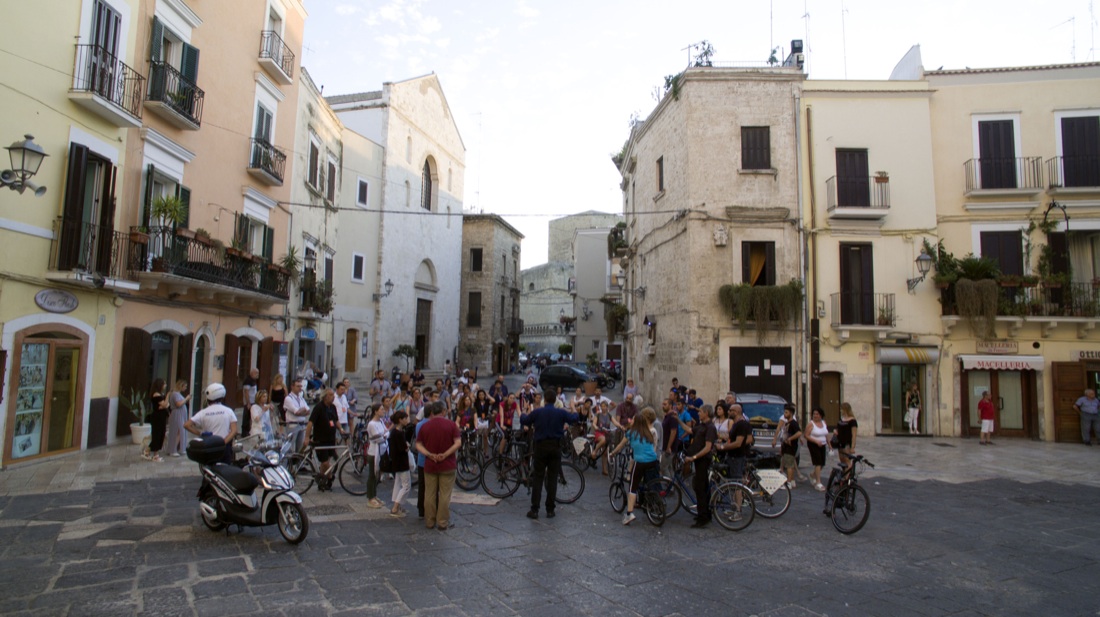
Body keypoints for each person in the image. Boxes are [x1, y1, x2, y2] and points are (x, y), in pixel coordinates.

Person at [520, 387, 581, 519]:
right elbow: (574, 418)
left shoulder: (538, 412)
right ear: (555, 400)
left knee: (538, 477)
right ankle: (550, 509)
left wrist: (524, 409)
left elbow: (524, 420)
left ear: (545, 400)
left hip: (540, 446)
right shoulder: (560, 412)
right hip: (555, 446)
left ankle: (535, 509)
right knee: (552, 478)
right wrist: (573, 407)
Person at [609, 407, 659, 525]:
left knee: (633, 486)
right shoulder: (648, 432)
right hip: (653, 460)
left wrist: (612, 453)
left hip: (640, 462)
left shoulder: (631, 433)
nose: (631, 421)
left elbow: (620, 445)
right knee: (651, 482)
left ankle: (629, 514)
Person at [415, 402, 461, 530]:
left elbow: (418, 444)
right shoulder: (451, 425)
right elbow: (458, 443)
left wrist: (429, 454)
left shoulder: (425, 426)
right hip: (448, 464)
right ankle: (442, 522)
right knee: (445, 495)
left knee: (429, 494)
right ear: (444, 411)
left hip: (430, 464)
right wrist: (445, 454)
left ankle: (429, 521)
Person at [714, 403, 752, 521]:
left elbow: (738, 443)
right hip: (732, 456)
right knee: (732, 484)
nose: (728, 412)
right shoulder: (736, 424)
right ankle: (734, 506)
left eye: (730, 410)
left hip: (737, 457)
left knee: (736, 484)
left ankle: (738, 511)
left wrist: (723, 447)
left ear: (736, 412)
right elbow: (735, 440)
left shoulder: (741, 425)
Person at [184, 383, 238, 464]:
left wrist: (200, 433)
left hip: (209, 446)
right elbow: (234, 430)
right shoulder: (228, 411)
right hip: (223, 445)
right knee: (225, 468)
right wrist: (224, 442)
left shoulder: (203, 412)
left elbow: (186, 425)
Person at [684, 404, 717, 528]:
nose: (698, 413)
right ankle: (704, 513)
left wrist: (693, 457)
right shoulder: (701, 426)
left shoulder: (710, 428)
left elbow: (707, 448)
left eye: (701, 411)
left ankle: (703, 517)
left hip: (703, 460)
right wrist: (677, 420)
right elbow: (690, 430)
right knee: (701, 487)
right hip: (699, 461)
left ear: (706, 413)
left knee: (700, 488)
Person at [304, 389, 342, 476]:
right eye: (331, 395)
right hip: (321, 439)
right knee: (325, 462)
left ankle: (322, 478)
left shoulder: (333, 407)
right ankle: (330, 477)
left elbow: (336, 420)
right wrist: (307, 437)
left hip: (331, 438)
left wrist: (341, 429)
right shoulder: (318, 407)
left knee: (327, 460)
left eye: (333, 395)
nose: (333, 397)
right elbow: (310, 423)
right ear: (325, 397)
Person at [388, 410, 412, 517]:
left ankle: (397, 506)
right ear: (400, 420)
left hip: (396, 462)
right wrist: (407, 446)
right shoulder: (399, 433)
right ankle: (396, 507)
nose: (407, 420)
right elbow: (404, 448)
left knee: (398, 484)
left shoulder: (394, 432)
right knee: (406, 486)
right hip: (402, 462)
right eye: (405, 418)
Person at [364, 403, 387, 508]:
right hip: (374, 452)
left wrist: (384, 435)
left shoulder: (381, 421)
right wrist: (384, 436)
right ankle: (370, 497)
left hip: (381, 450)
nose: (383, 411)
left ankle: (374, 495)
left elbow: (386, 432)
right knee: (372, 475)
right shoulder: (372, 424)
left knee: (377, 475)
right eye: (381, 409)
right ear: (375, 411)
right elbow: (378, 438)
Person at [774, 404, 802, 488]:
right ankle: (791, 481)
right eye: (784, 412)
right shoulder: (787, 423)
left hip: (790, 448)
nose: (784, 414)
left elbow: (799, 433)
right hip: (786, 447)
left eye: (786, 412)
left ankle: (789, 483)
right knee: (789, 464)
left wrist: (790, 439)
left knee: (789, 466)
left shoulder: (793, 423)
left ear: (791, 413)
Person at [165, 380, 192, 457]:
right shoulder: (175, 394)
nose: (186, 388)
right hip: (177, 414)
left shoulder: (177, 394)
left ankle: (179, 448)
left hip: (180, 414)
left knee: (180, 431)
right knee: (178, 431)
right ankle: (173, 449)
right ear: (181, 386)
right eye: (185, 386)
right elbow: (178, 404)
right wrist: (186, 399)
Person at [805, 407, 830, 491]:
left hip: (823, 444)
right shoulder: (811, 424)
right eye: (814, 414)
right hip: (813, 444)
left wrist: (829, 444)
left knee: (822, 463)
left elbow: (826, 434)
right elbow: (806, 435)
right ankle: (818, 482)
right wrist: (816, 441)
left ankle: (812, 475)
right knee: (818, 462)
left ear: (821, 415)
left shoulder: (824, 422)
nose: (815, 416)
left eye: (817, 414)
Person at [145, 378, 169, 462]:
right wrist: (168, 396)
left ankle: (147, 451)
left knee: (162, 433)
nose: (165, 385)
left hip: (162, 416)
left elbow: (166, 405)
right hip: (157, 417)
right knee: (157, 435)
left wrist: (163, 405)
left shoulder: (161, 394)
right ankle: (155, 455)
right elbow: (165, 404)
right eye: (164, 384)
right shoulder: (156, 394)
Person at [282, 380, 310, 451]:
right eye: (298, 386)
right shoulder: (288, 398)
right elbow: (296, 412)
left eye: (301, 386)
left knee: (300, 446)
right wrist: (302, 410)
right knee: (290, 446)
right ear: (292, 387)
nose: (300, 388)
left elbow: (308, 411)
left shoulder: (301, 398)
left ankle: (298, 458)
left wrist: (301, 411)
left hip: (301, 424)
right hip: (293, 424)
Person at [835, 402, 859, 470]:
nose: (840, 411)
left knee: (847, 460)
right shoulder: (841, 419)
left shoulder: (852, 421)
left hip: (847, 443)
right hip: (840, 442)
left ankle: (848, 475)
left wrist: (852, 447)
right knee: (842, 460)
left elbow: (854, 435)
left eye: (842, 409)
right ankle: (844, 473)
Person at [240, 367, 259, 437]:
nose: (257, 375)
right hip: (249, 402)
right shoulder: (247, 381)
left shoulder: (253, 381)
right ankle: (244, 433)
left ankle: (248, 431)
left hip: (253, 401)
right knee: (246, 417)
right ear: (252, 373)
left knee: (250, 416)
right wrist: (248, 403)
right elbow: (246, 392)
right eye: (256, 373)